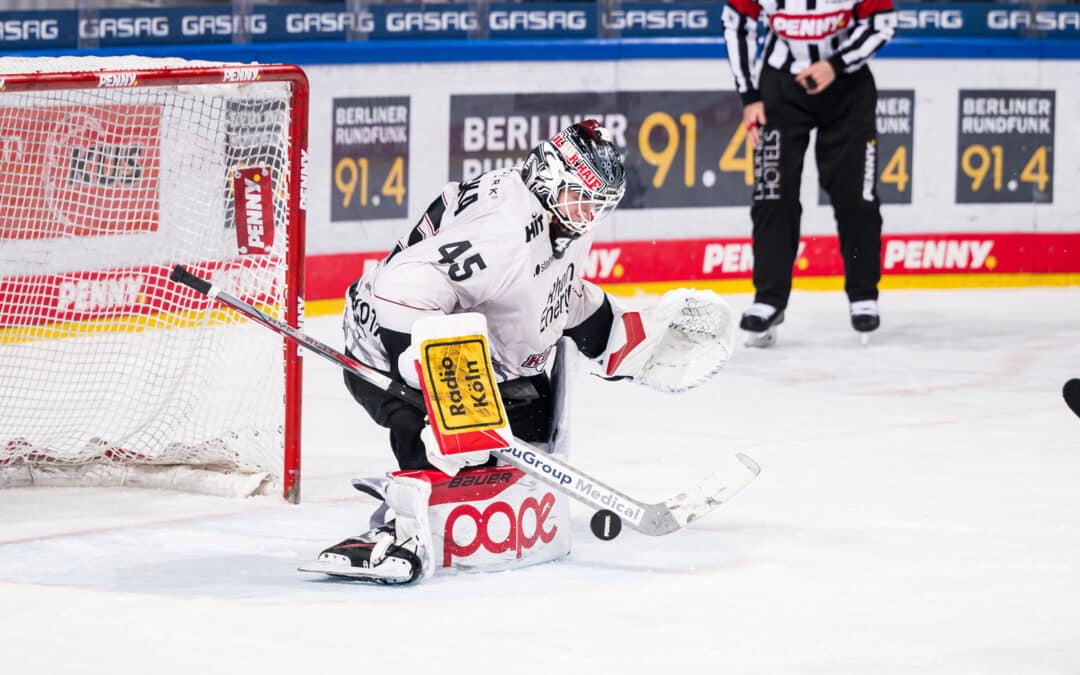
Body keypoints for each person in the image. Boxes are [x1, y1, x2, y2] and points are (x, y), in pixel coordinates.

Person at [302, 120, 737, 584]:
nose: (590, 213)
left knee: (526, 431)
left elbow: (545, 290)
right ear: (551, 176)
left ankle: (457, 456)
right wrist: (449, 387)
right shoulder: (505, 232)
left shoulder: (555, 215)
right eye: (582, 199)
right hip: (382, 344)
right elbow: (398, 290)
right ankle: (398, 526)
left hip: (475, 340)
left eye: (599, 205)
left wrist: (625, 341)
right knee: (452, 440)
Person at [721, 0, 897, 344]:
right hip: (780, 88)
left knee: (856, 197)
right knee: (773, 194)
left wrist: (836, 64)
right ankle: (768, 300)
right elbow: (736, 23)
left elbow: (882, 23)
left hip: (847, 89)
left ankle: (863, 294)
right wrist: (749, 95)